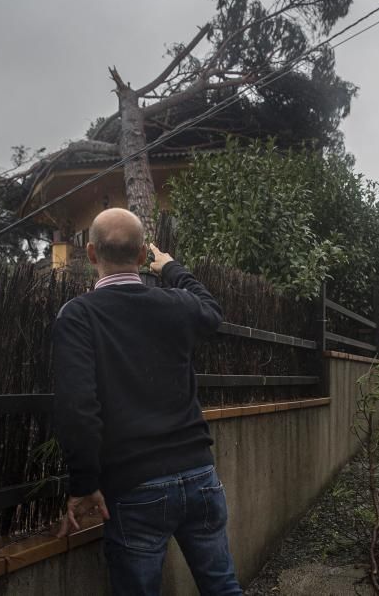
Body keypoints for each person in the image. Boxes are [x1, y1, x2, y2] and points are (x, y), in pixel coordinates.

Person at [53, 208, 242, 595]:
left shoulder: (78, 317)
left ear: (90, 254)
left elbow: (78, 408)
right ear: (142, 257)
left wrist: (84, 483)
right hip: (200, 475)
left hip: (133, 487)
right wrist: (171, 267)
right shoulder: (178, 304)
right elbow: (212, 311)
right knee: (223, 587)